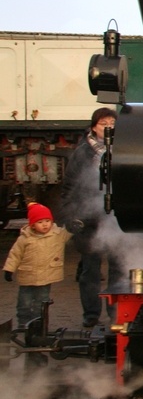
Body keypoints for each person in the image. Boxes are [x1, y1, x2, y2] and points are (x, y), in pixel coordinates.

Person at [59, 107, 119, 327]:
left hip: (114, 218)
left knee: (118, 270)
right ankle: (91, 315)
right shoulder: (82, 152)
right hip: (89, 218)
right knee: (90, 271)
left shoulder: (123, 149)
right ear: (94, 126)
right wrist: (69, 215)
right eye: (104, 123)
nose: (109, 128)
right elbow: (69, 185)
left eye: (112, 123)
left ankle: (115, 313)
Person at [3, 202, 72, 328]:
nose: (45, 224)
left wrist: (73, 227)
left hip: (46, 278)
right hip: (27, 277)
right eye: (40, 222)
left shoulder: (58, 234)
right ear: (33, 225)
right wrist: (9, 269)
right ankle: (23, 325)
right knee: (24, 303)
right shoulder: (24, 238)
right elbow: (15, 255)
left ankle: (39, 325)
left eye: (47, 221)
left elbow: (69, 232)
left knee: (41, 303)